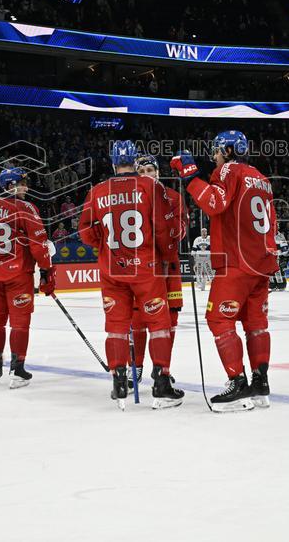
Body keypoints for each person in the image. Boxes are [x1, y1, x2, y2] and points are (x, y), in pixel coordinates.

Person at [170, 130, 277, 411]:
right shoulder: (262, 179)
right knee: (256, 323)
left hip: (237, 262)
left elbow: (215, 203)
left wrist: (191, 176)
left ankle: (237, 382)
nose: (215, 156)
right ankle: (260, 382)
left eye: (217, 150)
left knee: (218, 318)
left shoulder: (229, 170)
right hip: (260, 262)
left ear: (228, 151)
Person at [80, 140, 182, 410]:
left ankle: (119, 381)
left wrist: (105, 246)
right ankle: (161, 383)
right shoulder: (150, 186)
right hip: (146, 267)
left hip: (112, 269)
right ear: (135, 161)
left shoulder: (97, 191)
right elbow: (163, 229)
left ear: (113, 163)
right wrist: (166, 254)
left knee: (116, 327)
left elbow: (86, 232)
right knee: (159, 325)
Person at [0, 167, 53, 388]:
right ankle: (17, 370)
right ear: (10, 186)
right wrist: (46, 270)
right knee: (19, 324)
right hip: (18, 274)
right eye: (22, 184)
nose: (26, 188)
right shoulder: (25, 207)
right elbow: (39, 243)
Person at [132, 154, 187, 383]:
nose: (147, 175)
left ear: (157, 172)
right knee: (137, 321)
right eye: (141, 171)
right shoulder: (130, 200)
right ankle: (135, 367)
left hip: (168, 268)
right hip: (141, 268)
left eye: (150, 170)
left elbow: (182, 230)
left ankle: (162, 368)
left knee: (169, 321)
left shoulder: (174, 197)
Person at [192, 227, 212, 291]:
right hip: (199, 258)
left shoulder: (210, 238)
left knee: (209, 271)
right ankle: (201, 285)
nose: (204, 233)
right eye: (202, 231)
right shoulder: (197, 239)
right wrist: (194, 260)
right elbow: (194, 250)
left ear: (207, 232)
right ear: (201, 233)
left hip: (208, 258)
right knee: (199, 272)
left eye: (205, 231)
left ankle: (213, 284)